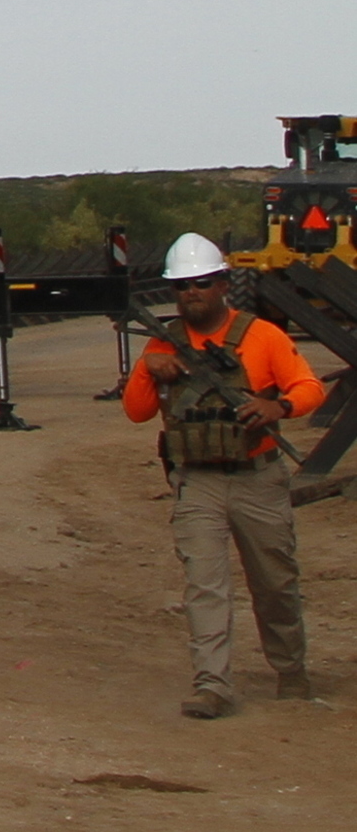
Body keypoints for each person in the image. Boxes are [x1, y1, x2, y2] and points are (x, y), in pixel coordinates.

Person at [124, 232, 327, 719]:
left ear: (221, 284)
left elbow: (310, 388)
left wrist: (276, 406)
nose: (190, 293)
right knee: (205, 584)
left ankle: (290, 670)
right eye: (181, 286)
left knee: (274, 582)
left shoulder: (263, 336)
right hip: (198, 482)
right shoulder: (162, 343)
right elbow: (136, 412)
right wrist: (151, 371)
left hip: (258, 477)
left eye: (200, 283)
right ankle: (212, 684)